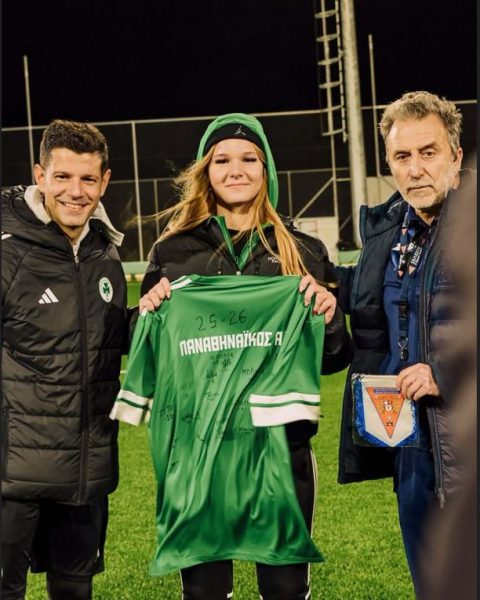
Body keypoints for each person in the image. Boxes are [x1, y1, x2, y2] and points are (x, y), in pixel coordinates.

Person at [125, 112, 352, 600]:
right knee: (205, 592)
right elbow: (149, 345)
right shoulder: (173, 251)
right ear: (206, 170)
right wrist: (147, 313)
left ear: (265, 168)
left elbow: (334, 358)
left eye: (249, 159)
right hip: (200, 451)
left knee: (285, 589)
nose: (236, 170)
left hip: (281, 447)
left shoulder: (303, 249)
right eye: (222, 160)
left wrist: (330, 315)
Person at [335, 91, 466, 596]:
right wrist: (325, 292)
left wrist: (445, 372)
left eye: (428, 152)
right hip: (414, 451)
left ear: (456, 155)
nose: (415, 169)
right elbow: (371, 305)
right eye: (402, 156)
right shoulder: (389, 232)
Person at [1, 120, 129, 600]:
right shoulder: (6, 249)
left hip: (85, 473)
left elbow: (106, 338)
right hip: (12, 475)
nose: (76, 192)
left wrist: (155, 315)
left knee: (74, 592)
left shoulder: (104, 250)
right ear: (40, 176)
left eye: (88, 179)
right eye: (62, 177)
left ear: (104, 181)